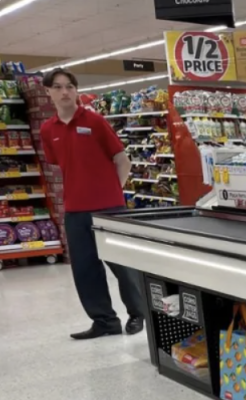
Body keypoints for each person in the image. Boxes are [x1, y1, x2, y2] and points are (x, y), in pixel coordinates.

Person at [40, 69, 144, 340]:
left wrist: (113, 192)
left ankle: (137, 314)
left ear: (76, 90)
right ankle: (105, 321)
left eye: (70, 86)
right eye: (59, 87)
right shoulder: (47, 129)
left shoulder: (95, 121)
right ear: (48, 92)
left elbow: (122, 159)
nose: (65, 92)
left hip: (108, 209)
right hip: (74, 209)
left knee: (122, 265)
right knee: (85, 269)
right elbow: (59, 163)